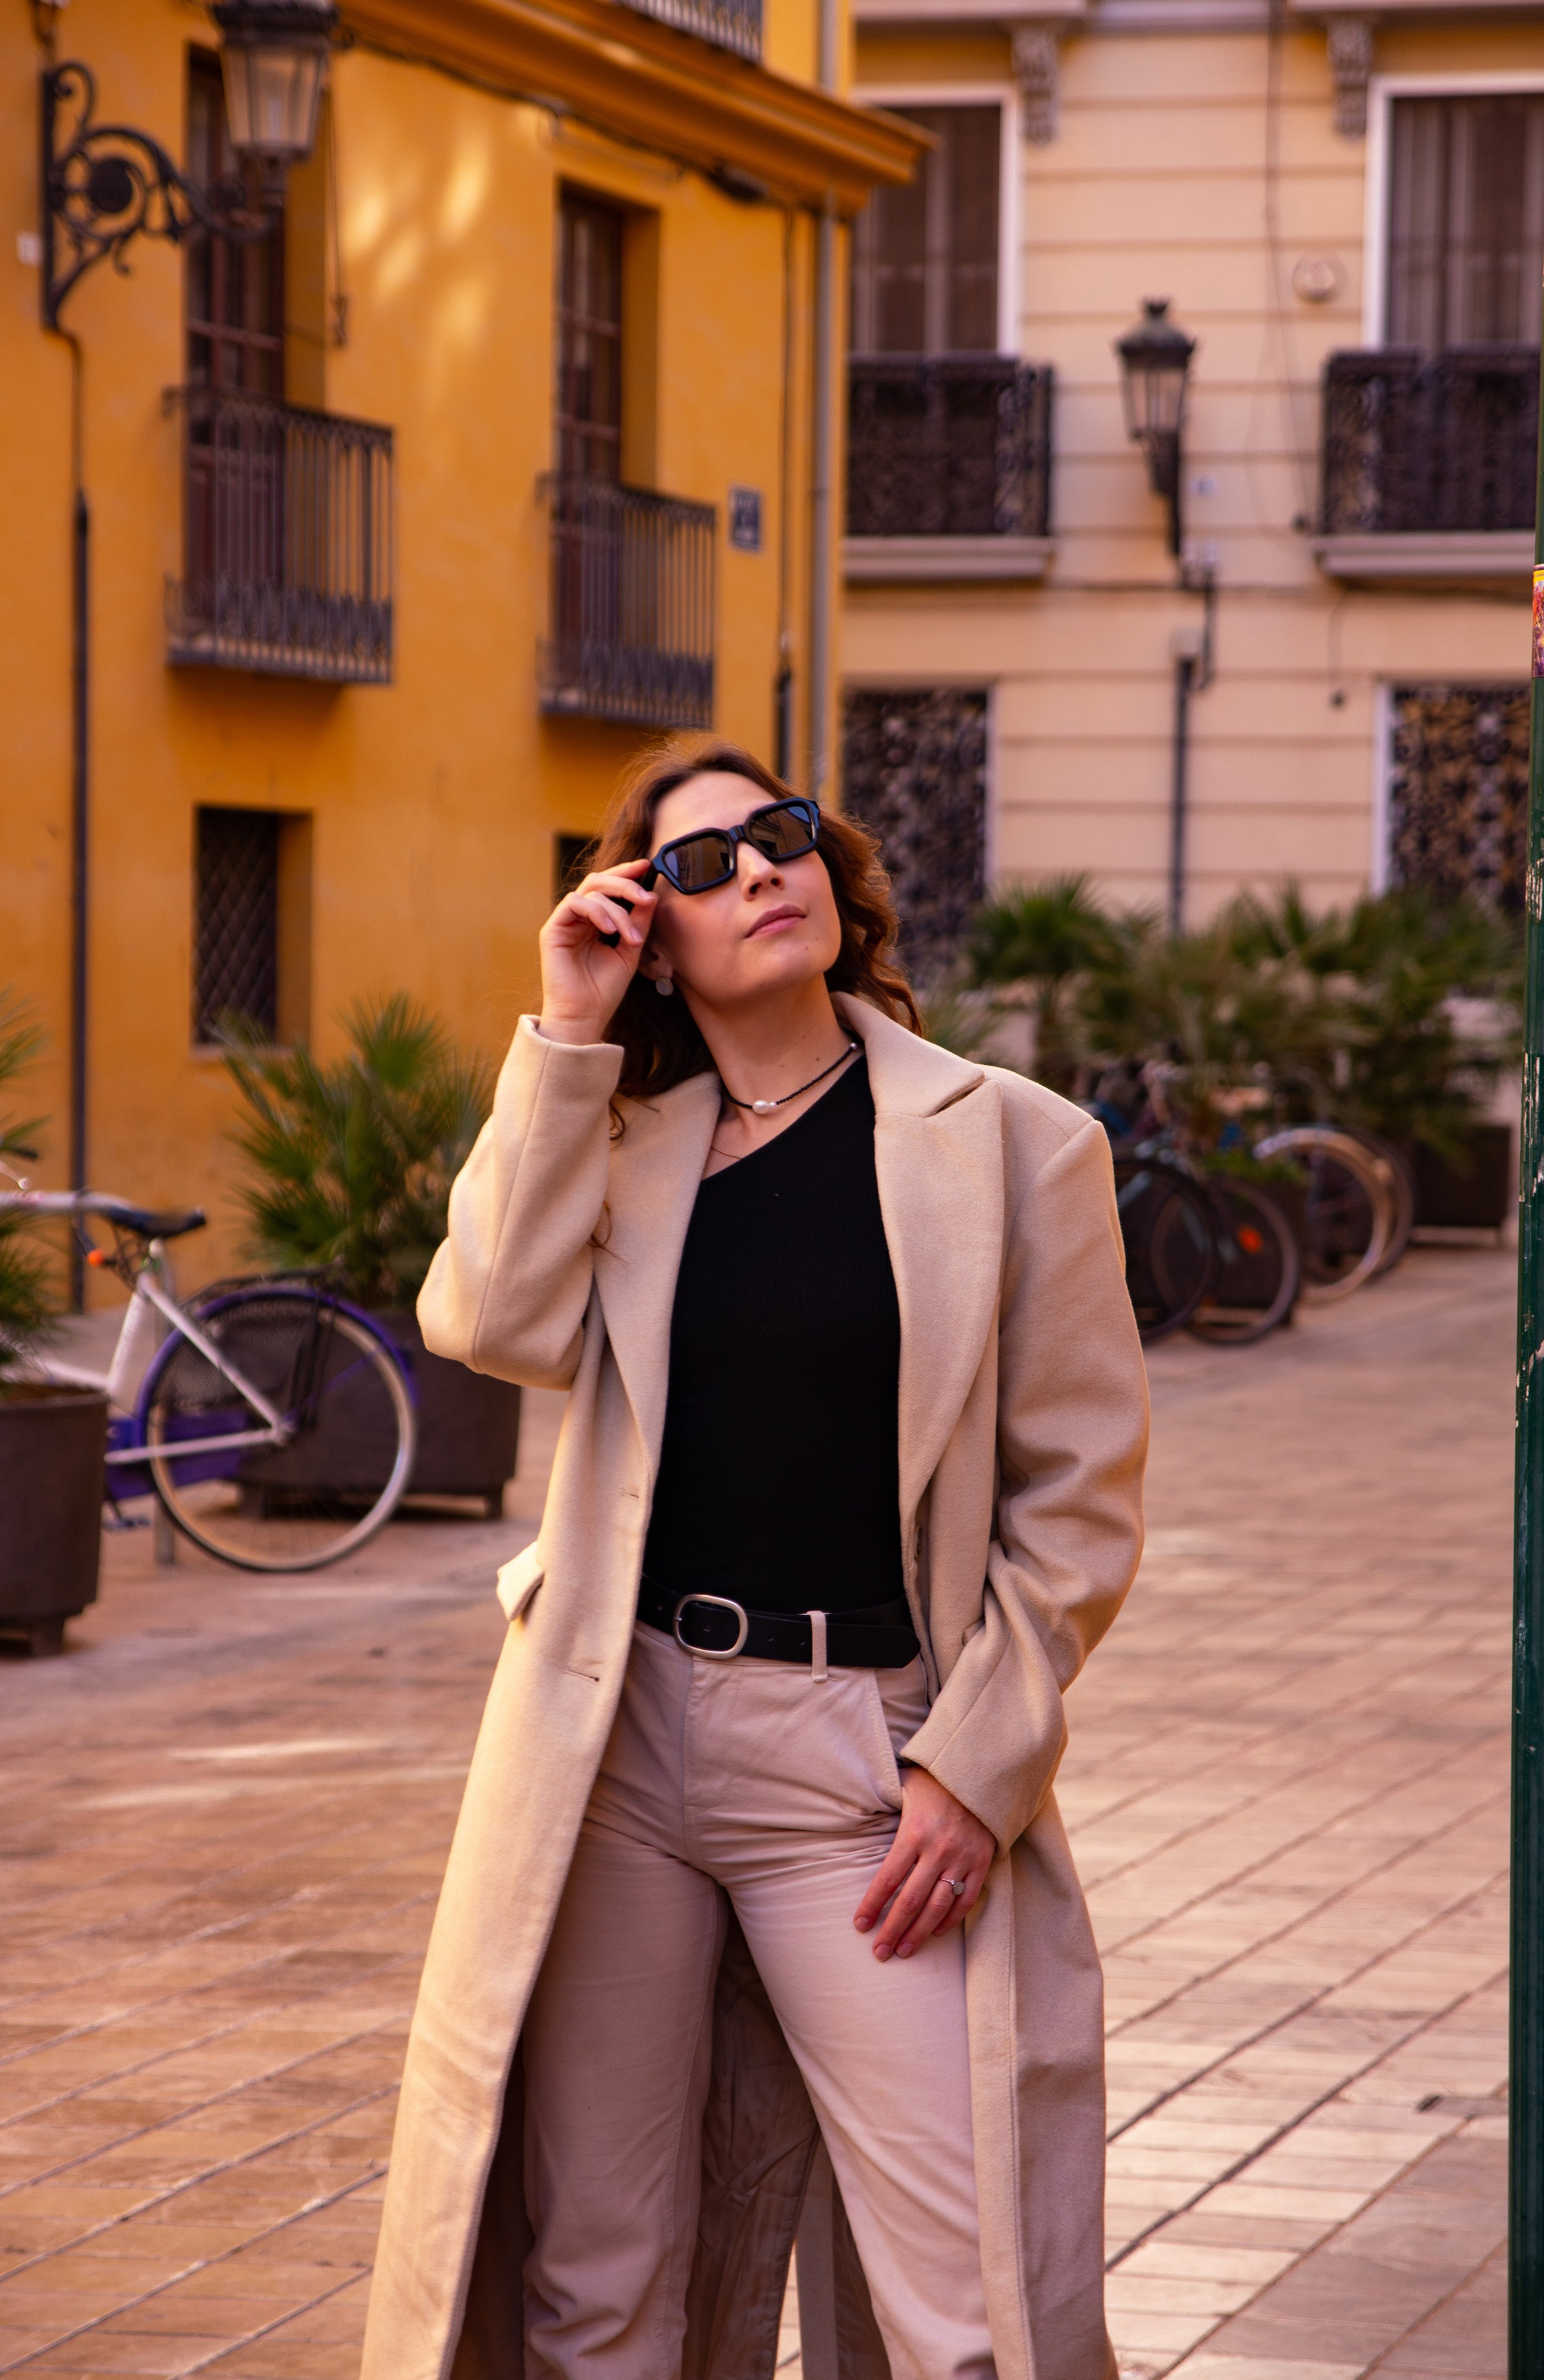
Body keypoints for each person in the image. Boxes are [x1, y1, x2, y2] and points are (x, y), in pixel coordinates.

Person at [360, 739, 1149, 2380]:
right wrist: (568, 1032)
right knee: (600, 2273)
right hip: (618, 1752)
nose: (759, 874)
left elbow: (1074, 1497)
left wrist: (977, 1764)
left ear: (832, 873)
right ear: (654, 924)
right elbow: (486, 1323)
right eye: (702, 865)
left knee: (972, 2288)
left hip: (861, 1764)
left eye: (779, 838)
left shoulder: (1011, 1142)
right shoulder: (622, 1138)